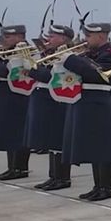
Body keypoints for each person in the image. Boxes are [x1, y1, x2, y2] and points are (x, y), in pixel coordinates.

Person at [62, 22, 111, 201]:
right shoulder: (90, 54)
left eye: (89, 36)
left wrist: (71, 60)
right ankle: (98, 186)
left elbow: (96, 74)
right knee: (95, 147)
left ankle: (107, 187)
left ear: (101, 36)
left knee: (104, 146)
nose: (86, 39)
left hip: (101, 103)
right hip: (88, 103)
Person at [28, 25, 74, 190]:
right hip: (46, 99)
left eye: (53, 36)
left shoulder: (68, 56)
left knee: (58, 140)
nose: (48, 39)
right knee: (51, 140)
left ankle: (63, 178)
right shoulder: (49, 54)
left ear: (63, 39)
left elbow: (51, 76)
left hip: (59, 100)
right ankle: (53, 176)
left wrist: (33, 71)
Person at [0, 24, 32, 180]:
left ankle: (20, 168)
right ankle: (12, 167)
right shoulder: (8, 51)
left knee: (18, 132)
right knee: (9, 132)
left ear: (20, 37)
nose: (3, 40)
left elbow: (6, 72)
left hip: (18, 97)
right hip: (6, 96)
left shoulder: (24, 51)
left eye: (7, 37)